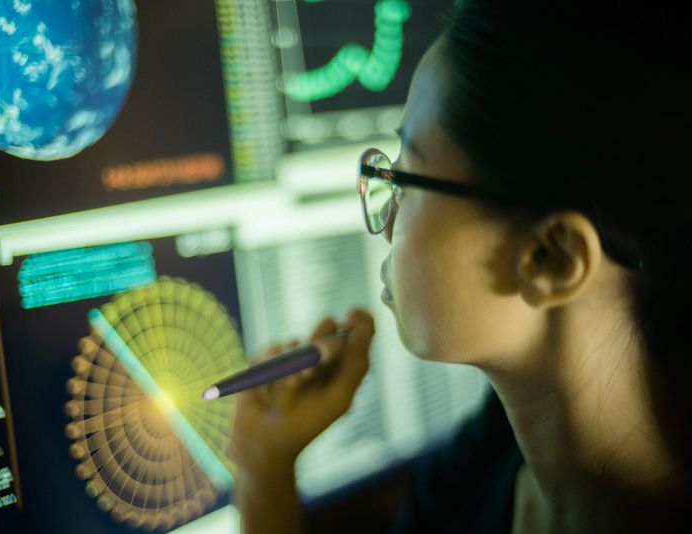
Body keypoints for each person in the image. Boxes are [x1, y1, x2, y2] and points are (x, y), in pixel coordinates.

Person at [231, 1, 691, 532]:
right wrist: (263, 462)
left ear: (552, 258)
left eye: (407, 176)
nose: (385, 222)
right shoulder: (497, 446)